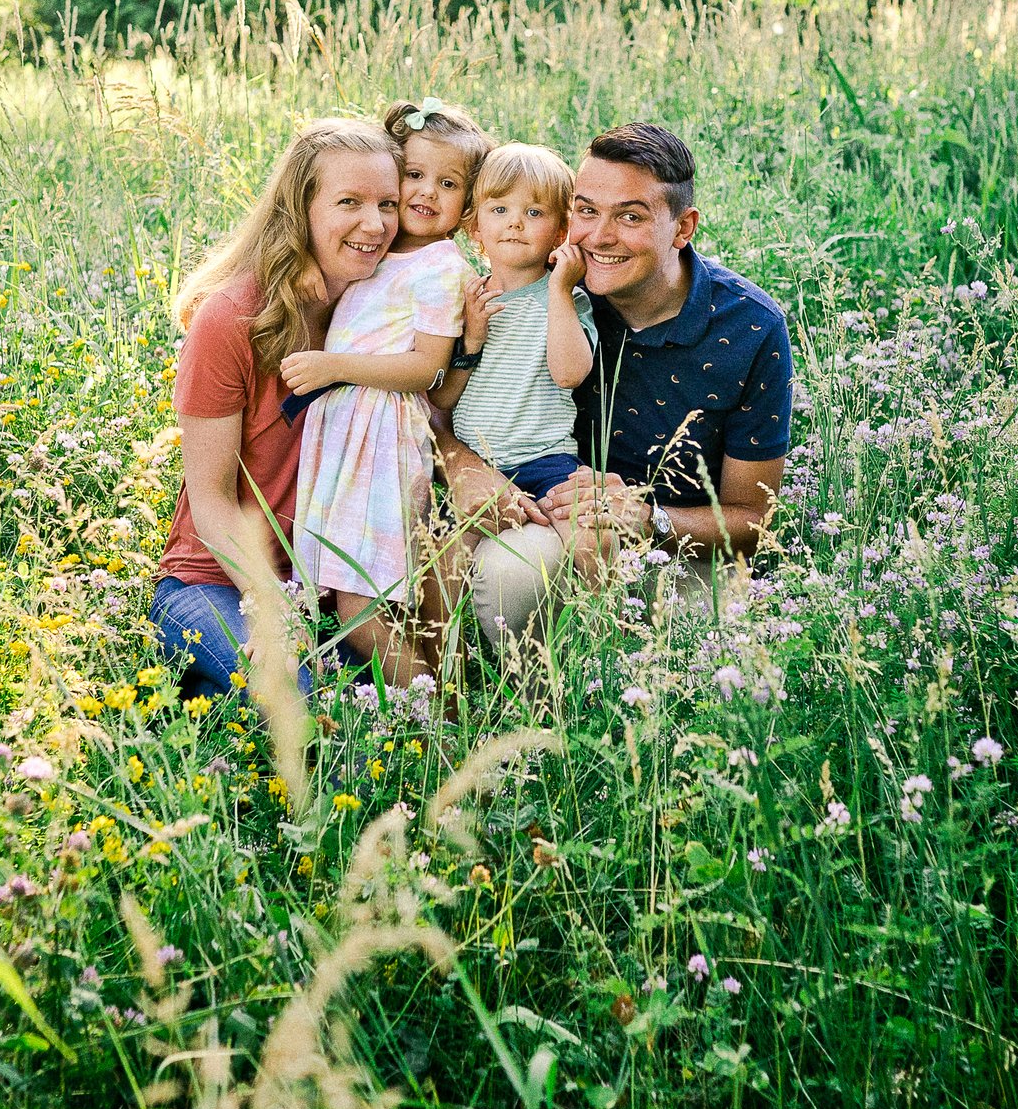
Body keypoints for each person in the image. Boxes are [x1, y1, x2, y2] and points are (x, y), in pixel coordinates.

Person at [435, 122, 793, 638]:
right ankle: (542, 712)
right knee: (513, 573)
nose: (599, 237)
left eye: (629, 217)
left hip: (678, 546)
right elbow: (433, 396)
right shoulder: (542, 288)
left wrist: (648, 519)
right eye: (585, 210)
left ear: (683, 227)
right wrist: (462, 463)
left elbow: (753, 521)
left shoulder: (748, 326)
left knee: (713, 643)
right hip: (548, 509)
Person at [152, 118, 399, 695]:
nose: (375, 224)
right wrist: (270, 603)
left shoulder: (383, 308)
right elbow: (211, 498)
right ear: (300, 209)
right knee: (318, 709)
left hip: (332, 584)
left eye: (388, 203)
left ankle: (214, 701)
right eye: (350, 203)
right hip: (217, 583)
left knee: (406, 705)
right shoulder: (232, 318)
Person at [282, 99, 489, 684]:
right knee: (354, 604)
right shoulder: (383, 250)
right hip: (350, 441)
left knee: (363, 608)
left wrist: (333, 367)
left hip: (382, 441)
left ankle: (438, 724)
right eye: (414, 175)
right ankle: (435, 707)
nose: (425, 192)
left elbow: (426, 369)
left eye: (447, 183)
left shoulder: (441, 267)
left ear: (467, 203)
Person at [429, 143, 596, 500]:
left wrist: (560, 290)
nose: (515, 222)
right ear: (475, 226)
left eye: (534, 212)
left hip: (548, 460)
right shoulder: (467, 298)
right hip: (478, 467)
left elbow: (569, 374)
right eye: (499, 209)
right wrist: (472, 340)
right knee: (450, 554)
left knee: (587, 536)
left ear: (560, 231)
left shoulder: (567, 297)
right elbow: (442, 398)